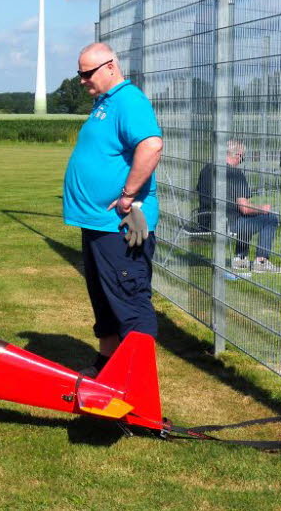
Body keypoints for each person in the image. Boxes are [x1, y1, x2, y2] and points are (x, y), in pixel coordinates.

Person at [63, 42, 164, 378]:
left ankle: (137, 381)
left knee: (130, 300)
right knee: (104, 300)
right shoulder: (104, 103)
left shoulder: (129, 100)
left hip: (118, 225)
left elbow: (151, 145)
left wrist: (128, 195)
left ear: (109, 66)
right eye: (79, 73)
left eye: (86, 73)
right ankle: (106, 365)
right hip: (96, 223)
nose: (81, 80)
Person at [196, 140, 281, 274]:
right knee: (270, 218)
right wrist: (264, 208)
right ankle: (261, 262)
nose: (242, 161)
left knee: (244, 218)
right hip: (226, 224)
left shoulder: (206, 169)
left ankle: (241, 259)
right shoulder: (236, 175)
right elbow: (245, 208)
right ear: (237, 155)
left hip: (205, 221)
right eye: (242, 157)